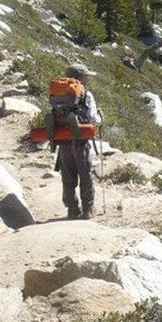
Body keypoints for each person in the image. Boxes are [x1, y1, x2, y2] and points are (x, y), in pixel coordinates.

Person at [57, 63, 102, 219]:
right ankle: (88, 208)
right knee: (85, 174)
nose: (88, 79)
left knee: (68, 175)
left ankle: (72, 209)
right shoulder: (85, 94)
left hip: (63, 139)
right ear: (79, 77)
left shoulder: (59, 93)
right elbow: (91, 119)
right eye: (86, 76)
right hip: (81, 139)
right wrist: (100, 117)